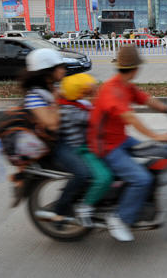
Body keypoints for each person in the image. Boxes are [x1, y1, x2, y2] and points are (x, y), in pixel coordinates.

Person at [87, 45, 167, 241]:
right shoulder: (112, 90)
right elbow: (130, 118)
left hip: (120, 140)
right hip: (106, 147)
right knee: (142, 179)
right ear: (135, 68)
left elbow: (146, 100)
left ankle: (145, 202)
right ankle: (119, 218)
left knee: (157, 154)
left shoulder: (125, 85)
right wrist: (156, 136)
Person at [35, 73, 113, 227]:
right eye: (86, 91)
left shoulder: (77, 103)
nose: (89, 92)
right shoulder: (71, 111)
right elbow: (97, 119)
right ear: (79, 93)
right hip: (75, 148)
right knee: (86, 174)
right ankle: (61, 211)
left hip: (84, 145)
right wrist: (97, 96)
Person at [21, 49, 85, 219]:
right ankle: (60, 210)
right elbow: (52, 125)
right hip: (55, 145)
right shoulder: (34, 96)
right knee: (83, 172)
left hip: (69, 137)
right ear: (47, 71)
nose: (63, 70)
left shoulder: (52, 88)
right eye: (60, 67)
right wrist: (58, 101)